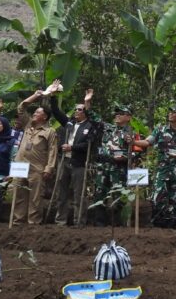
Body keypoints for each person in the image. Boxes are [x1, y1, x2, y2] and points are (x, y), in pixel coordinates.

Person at [47, 86, 101, 226]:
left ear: (85, 113)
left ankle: (79, 222)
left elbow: (88, 145)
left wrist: (72, 147)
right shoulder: (70, 123)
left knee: (79, 194)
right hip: (64, 161)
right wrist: (52, 96)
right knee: (61, 193)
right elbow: (57, 113)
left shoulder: (90, 126)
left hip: (79, 163)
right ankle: (60, 221)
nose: (77, 111)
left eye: (80, 109)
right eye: (76, 109)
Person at [135, 105, 176, 228]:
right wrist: (133, 142)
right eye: (170, 111)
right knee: (158, 195)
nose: (171, 114)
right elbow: (147, 142)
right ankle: (157, 222)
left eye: (174, 112)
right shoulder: (160, 130)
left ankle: (173, 224)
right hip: (163, 169)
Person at [12, 89, 59, 225]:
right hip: (20, 164)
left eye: (38, 112)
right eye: (35, 112)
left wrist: (49, 168)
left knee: (35, 197)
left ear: (45, 117)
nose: (34, 114)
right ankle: (17, 221)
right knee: (19, 194)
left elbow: (52, 150)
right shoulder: (27, 124)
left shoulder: (50, 131)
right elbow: (21, 107)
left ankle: (33, 223)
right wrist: (34, 96)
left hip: (37, 168)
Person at [89, 104, 135, 226]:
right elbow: (93, 117)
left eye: (121, 113)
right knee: (99, 194)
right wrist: (88, 102)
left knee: (119, 197)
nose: (117, 115)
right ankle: (100, 224)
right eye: (116, 113)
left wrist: (124, 157)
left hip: (118, 170)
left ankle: (118, 225)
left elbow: (136, 153)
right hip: (103, 167)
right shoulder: (107, 128)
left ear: (128, 117)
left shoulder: (131, 133)